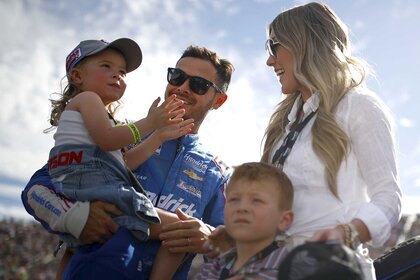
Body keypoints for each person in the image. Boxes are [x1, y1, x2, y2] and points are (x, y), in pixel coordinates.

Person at [206, 2, 401, 280]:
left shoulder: (359, 106)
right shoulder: (283, 123)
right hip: (270, 269)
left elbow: (388, 199)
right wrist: (238, 235)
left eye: (274, 47)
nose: (269, 61)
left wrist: (347, 232)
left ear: (305, 43)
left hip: (331, 270)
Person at [21, 44, 234, 279]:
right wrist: (73, 215)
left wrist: (208, 236)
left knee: (179, 233)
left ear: (218, 100)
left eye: (198, 85)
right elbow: (36, 189)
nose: (182, 88)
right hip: (90, 271)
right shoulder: (119, 132)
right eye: (177, 76)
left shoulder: (218, 174)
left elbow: (239, 245)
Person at [194, 162, 294, 280]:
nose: (242, 208)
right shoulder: (213, 267)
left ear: (283, 220)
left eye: (257, 200)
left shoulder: (290, 270)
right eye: (234, 199)